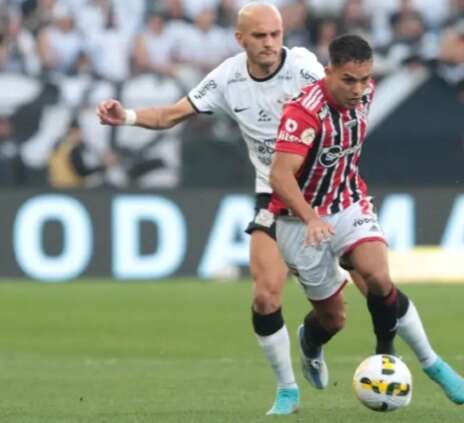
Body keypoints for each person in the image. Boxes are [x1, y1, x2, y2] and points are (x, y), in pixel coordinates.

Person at [97, 1, 436, 416]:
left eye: (275, 34)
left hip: (328, 194)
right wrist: (127, 116)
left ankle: (400, 356)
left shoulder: (307, 67)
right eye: (259, 36)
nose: (270, 43)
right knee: (265, 296)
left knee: (362, 295)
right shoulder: (226, 78)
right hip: (274, 196)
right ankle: (287, 390)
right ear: (240, 39)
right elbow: (171, 114)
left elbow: (344, 98)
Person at [269, 34, 464, 405]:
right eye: (349, 80)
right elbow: (280, 176)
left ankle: (394, 356)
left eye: (365, 79)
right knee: (333, 319)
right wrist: (312, 218)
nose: (359, 89)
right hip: (300, 221)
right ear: (328, 73)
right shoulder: (303, 113)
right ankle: (310, 342)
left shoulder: (366, 93)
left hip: (348, 201)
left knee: (378, 276)